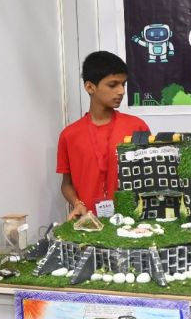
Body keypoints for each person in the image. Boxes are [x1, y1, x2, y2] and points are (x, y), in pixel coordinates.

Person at [57, 51, 149, 221]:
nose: (121, 91)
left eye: (123, 84)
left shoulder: (137, 127)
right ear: (90, 87)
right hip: (89, 222)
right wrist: (77, 204)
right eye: (113, 85)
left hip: (132, 223)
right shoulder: (69, 135)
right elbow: (66, 184)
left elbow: (150, 176)